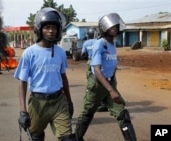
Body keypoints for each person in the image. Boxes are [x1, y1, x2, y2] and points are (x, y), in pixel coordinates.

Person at [14, 7, 76, 141]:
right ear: (40, 29)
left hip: (59, 101)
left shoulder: (60, 52)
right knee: (36, 137)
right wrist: (22, 111)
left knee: (69, 138)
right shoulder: (29, 53)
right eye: (47, 27)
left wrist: (69, 102)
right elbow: (22, 82)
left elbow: (63, 77)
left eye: (54, 27)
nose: (51, 31)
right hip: (37, 103)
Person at [75, 13, 137, 141]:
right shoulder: (100, 44)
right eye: (111, 26)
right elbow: (97, 70)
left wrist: (113, 82)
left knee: (122, 114)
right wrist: (111, 90)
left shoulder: (113, 44)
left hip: (109, 84)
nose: (114, 28)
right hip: (98, 85)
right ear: (104, 28)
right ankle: (77, 138)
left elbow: (112, 66)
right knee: (88, 114)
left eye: (116, 26)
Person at [81, 27, 109, 112]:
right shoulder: (100, 42)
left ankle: (94, 103)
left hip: (90, 63)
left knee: (92, 83)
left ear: (88, 35)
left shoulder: (86, 43)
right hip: (100, 63)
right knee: (102, 81)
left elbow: (83, 54)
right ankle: (104, 102)